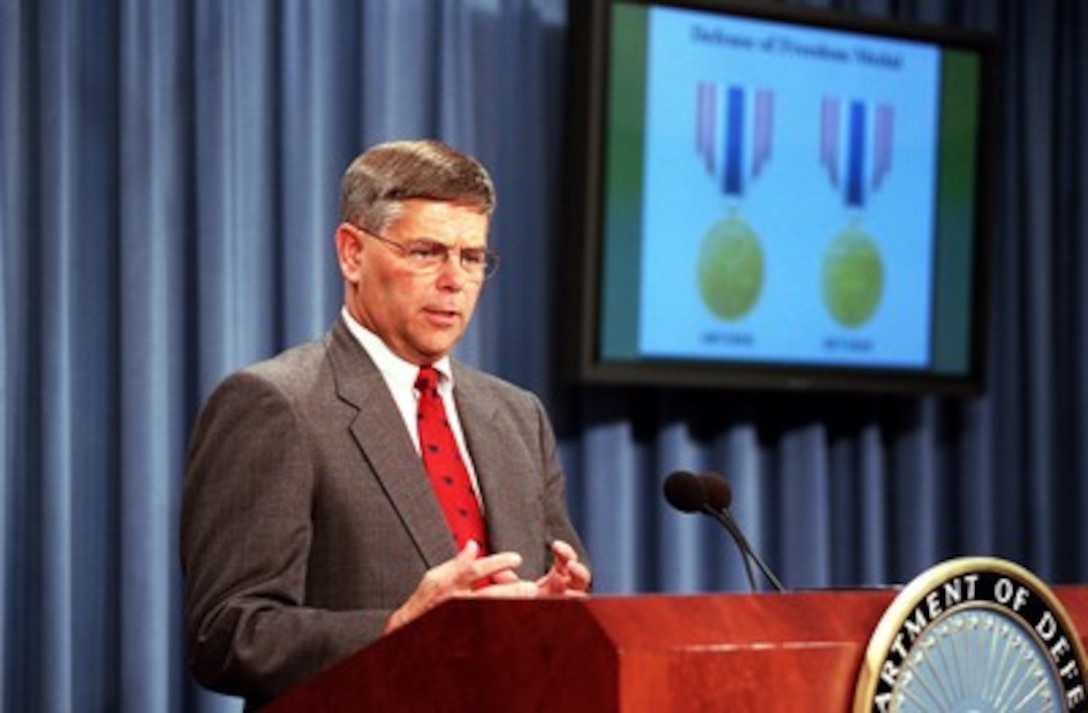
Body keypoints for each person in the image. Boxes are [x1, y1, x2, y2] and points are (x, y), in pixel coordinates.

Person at [180, 139, 591, 708]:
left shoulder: (518, 416)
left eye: (472, 258)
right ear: (352, 252)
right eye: (427, 252)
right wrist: (398, 626)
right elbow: (226, 634)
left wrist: (561, 610)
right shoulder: (275, 404)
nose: (454, 280)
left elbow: (556, 595)